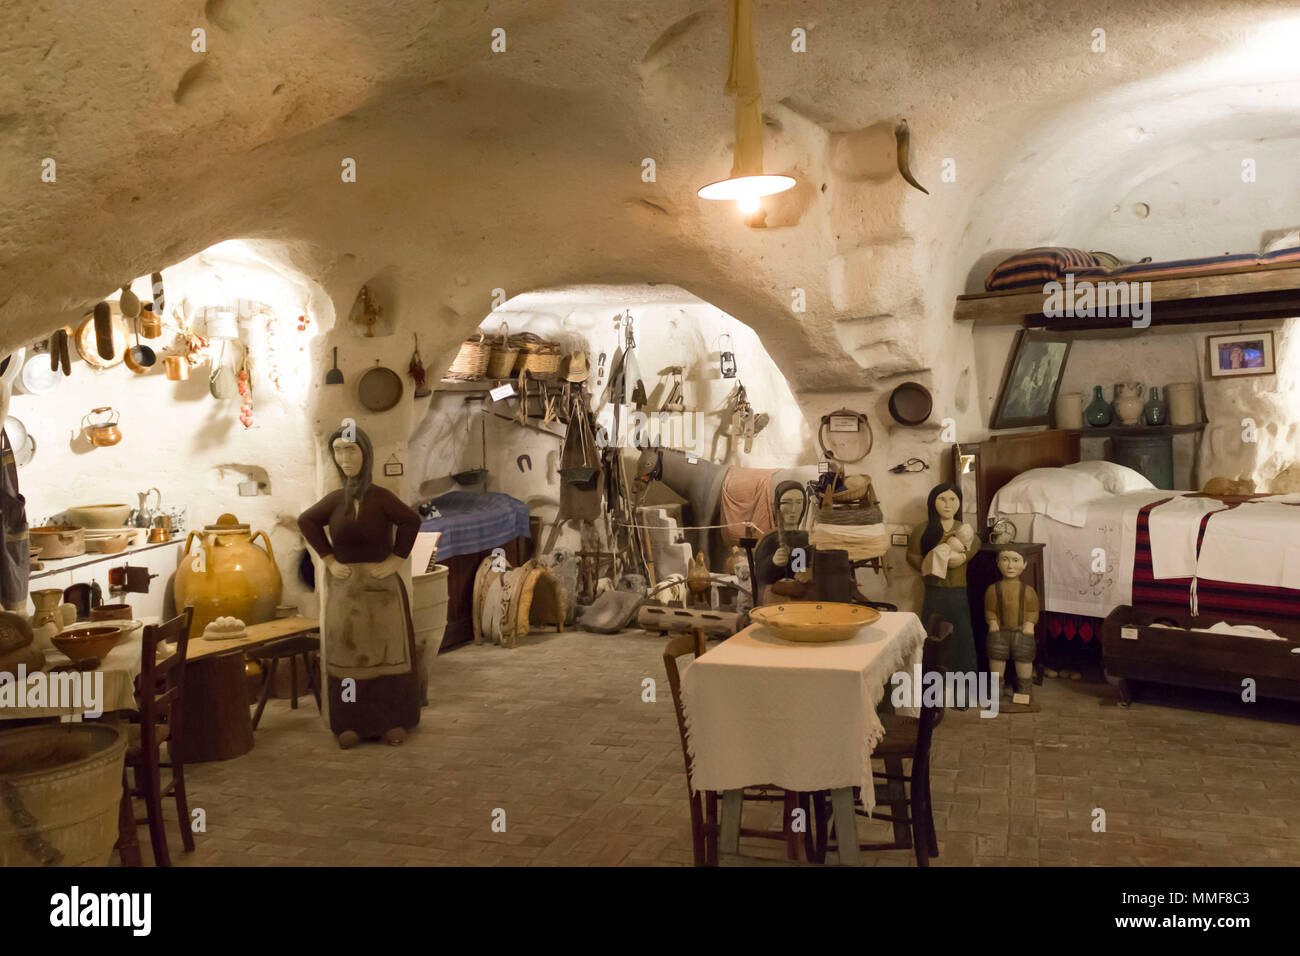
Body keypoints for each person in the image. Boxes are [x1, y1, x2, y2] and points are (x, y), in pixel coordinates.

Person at [298, 425, 422, 749]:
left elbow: (411, 521)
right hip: (345, 593)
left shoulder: (381, 499)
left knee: (387, 658)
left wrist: (396, 560)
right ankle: (349, 722)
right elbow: (306, 522)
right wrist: (328, 559)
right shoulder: (335, 501)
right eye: (338, 451)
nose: (344, 457)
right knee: (347, 659)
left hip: (382, 594)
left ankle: (391, 721)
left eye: (351, 450)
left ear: (365, 453)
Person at [907, 483, 979, 683]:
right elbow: (912, 555)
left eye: (953, 499)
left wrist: (963, 559)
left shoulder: (964, 530)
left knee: (961, 634)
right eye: (942, 499)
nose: (948, 505)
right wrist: (929, 566)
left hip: (957, 591)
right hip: (934, 590)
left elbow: (975, 545)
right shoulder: (923, 529)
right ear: (932, 502)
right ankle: (929, 681)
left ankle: (964, 682)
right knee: (931, 634)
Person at [983, 547, 1040, 709]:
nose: (1010, 566)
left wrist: (1030, 624)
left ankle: (1024, 693)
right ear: (998, 563)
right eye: (1005, 560)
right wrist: (992, 622)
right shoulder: (993, 589)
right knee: (996, 662)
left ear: (1025, 565)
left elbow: (1034, 610)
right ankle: (996, 694)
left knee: (1024, 662)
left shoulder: (1028, 591)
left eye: (1015, 561)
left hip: (1022, 634)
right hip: (999, 634)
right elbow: (989, 610)